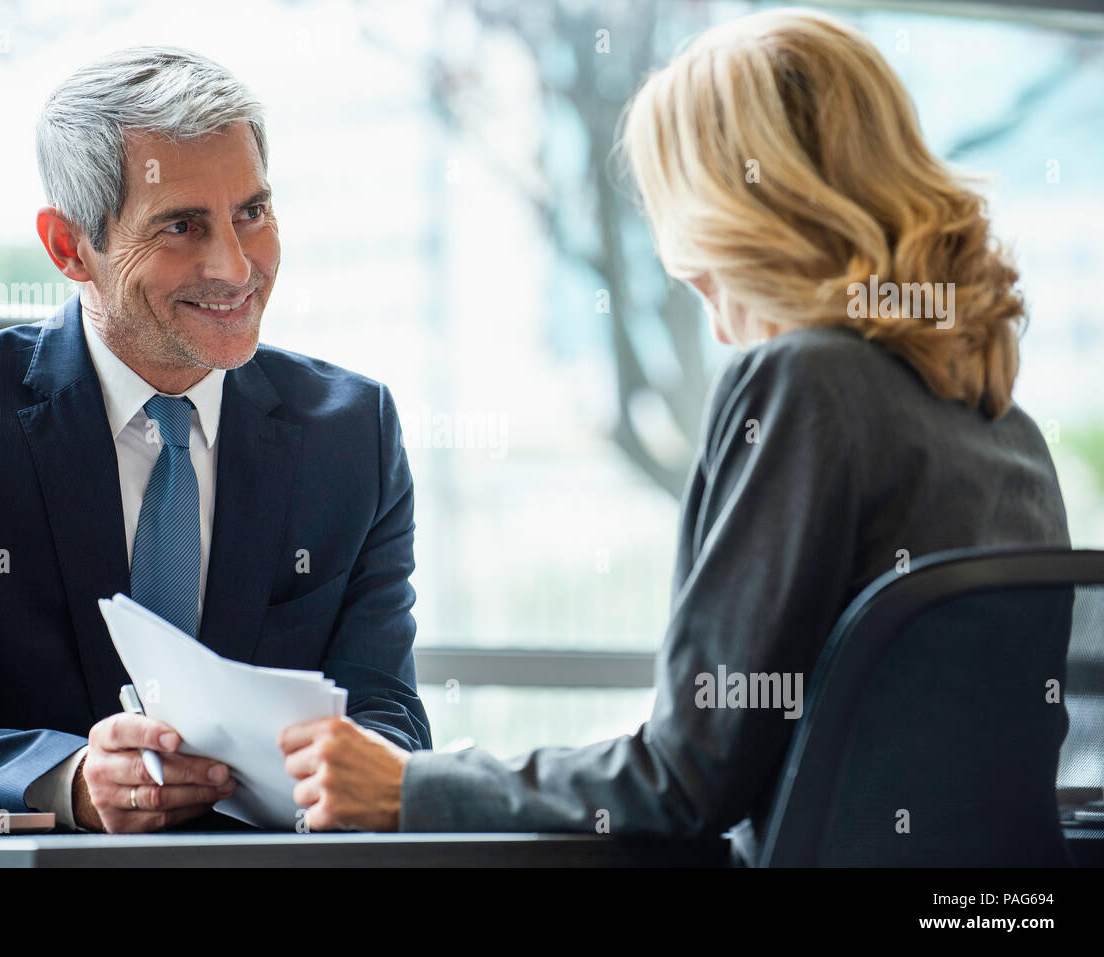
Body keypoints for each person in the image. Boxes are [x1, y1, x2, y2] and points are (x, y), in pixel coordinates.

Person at [276, 8, 1070, 856]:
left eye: (694, 258)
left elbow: (688, 777)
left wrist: (414, 785)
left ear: (741, 212)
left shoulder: (808, 382)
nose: (717, 320)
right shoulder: (1002, 425)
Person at [0, 46, 430, 834]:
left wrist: (357, 775)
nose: (234, 265)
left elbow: (386, 715)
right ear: (70, 247)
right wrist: (71, 780)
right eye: (183, 226)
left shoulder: (352, 432)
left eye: (250, 212)